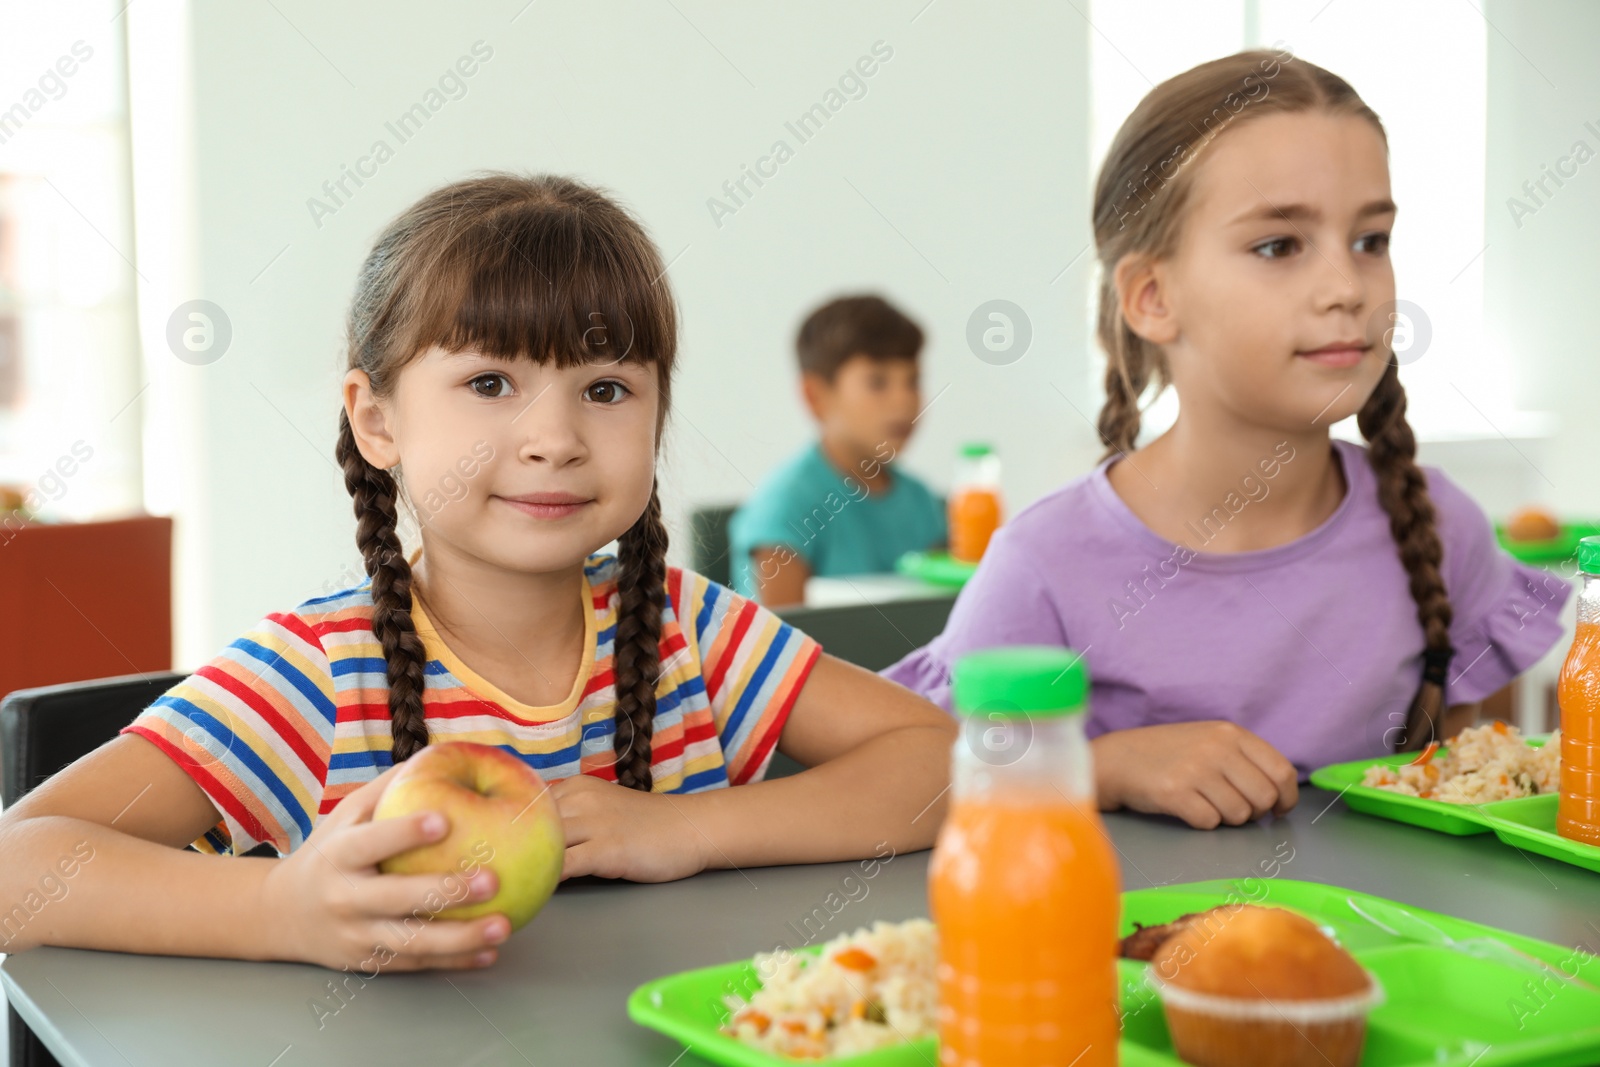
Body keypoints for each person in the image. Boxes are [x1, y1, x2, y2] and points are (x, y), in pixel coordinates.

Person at [0, 174, 955, 971]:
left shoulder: (685, 631)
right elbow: (15, 869)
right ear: (377, 420)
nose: (554, 439)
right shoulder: (323, 670)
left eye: (607, 389)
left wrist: (687, 829)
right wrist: (280, 908)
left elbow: (945, 763)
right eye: (490, 383)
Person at [882, 50, 1569, 829]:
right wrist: (1098, 767)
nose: (1348, 287)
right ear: (1152, 297)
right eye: (1279, 246)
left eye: (1371, 240)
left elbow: (1494, 787)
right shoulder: (1044, 568)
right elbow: (905, 782)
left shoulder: (1444, 529)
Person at [728, 295, 945, 605]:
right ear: (815, 396)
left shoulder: (922, 502)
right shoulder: (787, 504)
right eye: (878, 382)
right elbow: (782, 640)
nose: (904, 400)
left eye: (913, 381)